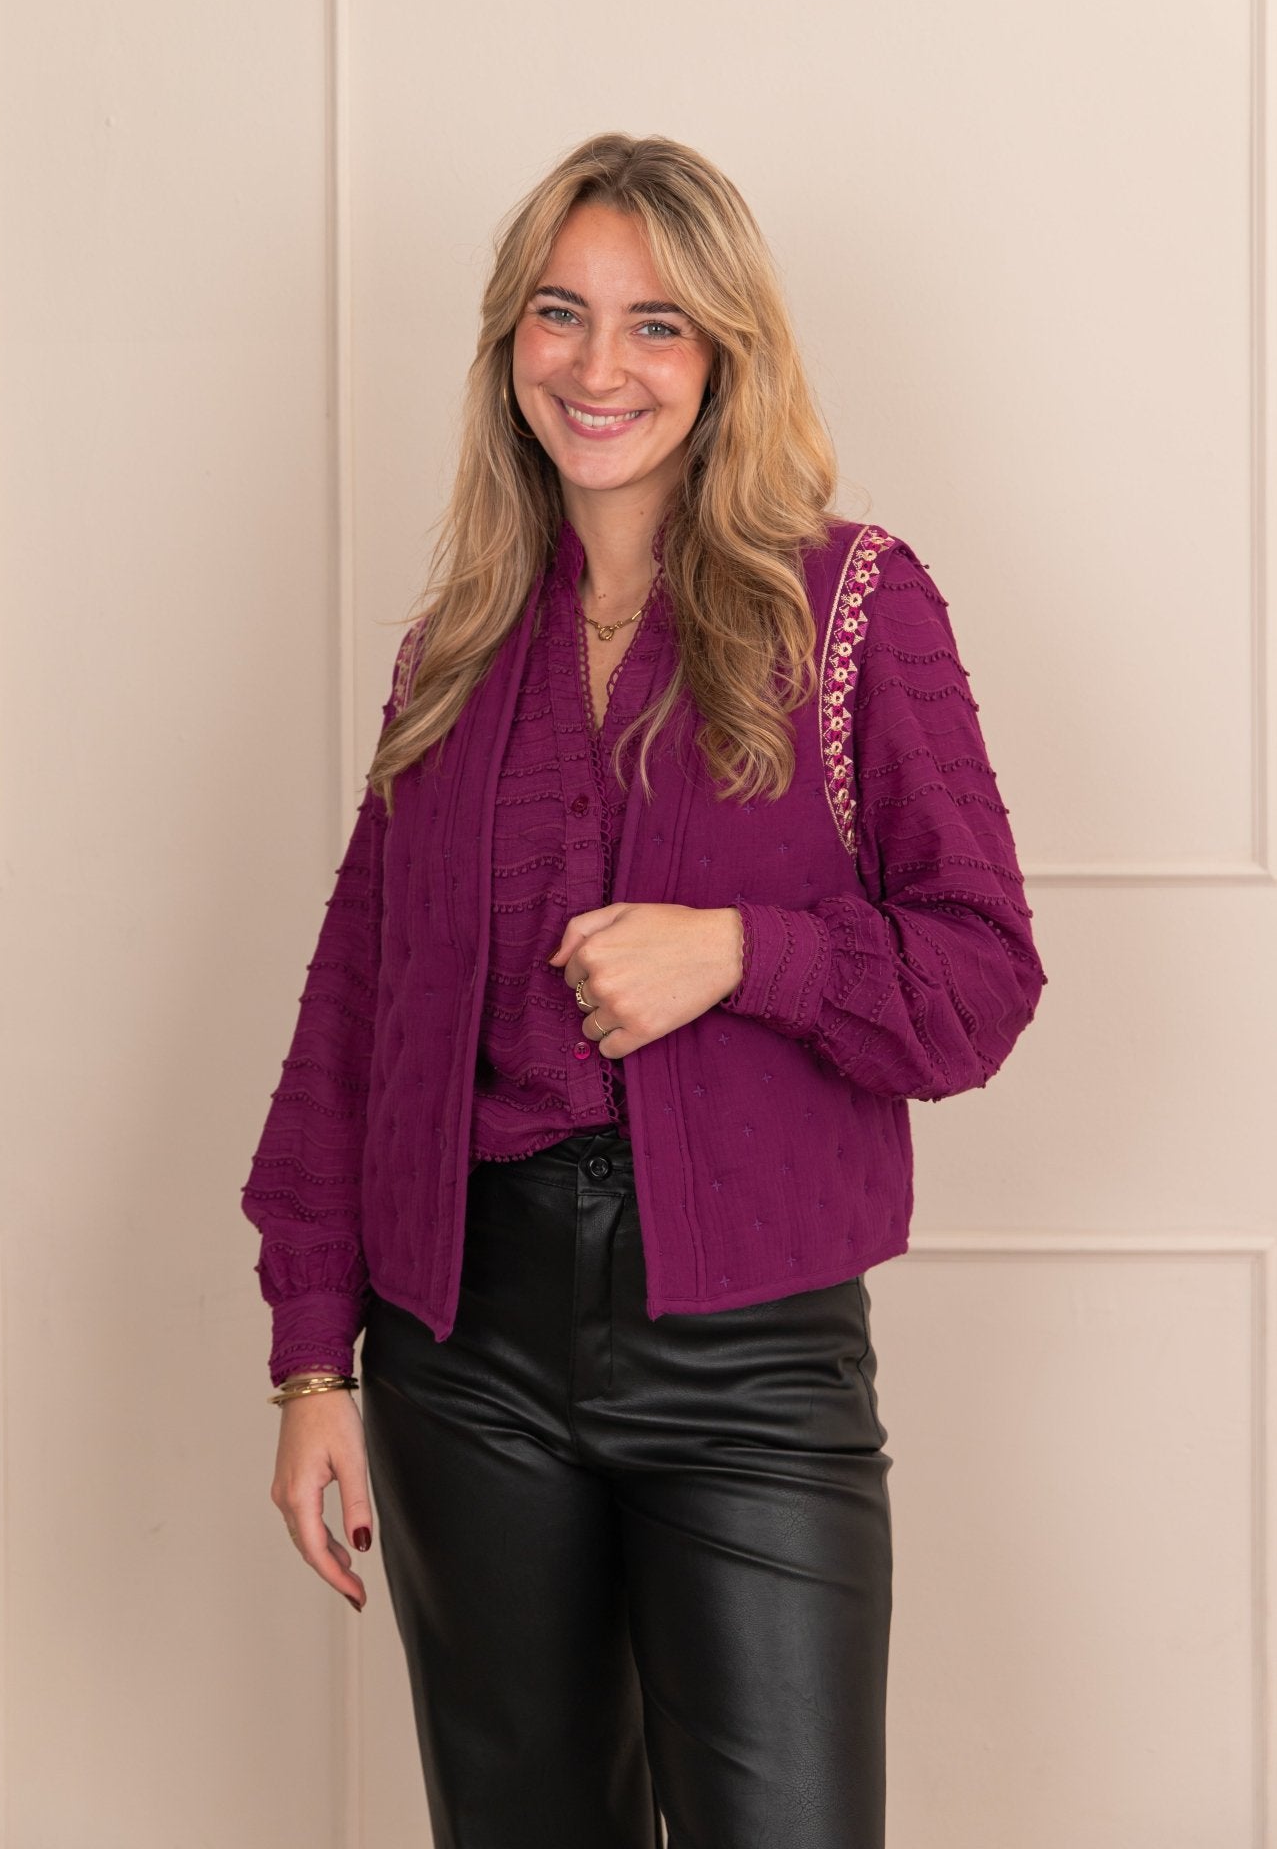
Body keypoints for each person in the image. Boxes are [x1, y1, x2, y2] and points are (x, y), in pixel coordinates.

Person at [240, 131, 1048, 1849]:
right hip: (461, 1354)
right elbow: (354, 1022)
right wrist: (313, 1365)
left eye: (656, 322)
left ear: (725, 354)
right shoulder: (455, 648)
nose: (598, 365)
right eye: (560, 313)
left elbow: (980, 977)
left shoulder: (849, 607)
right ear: (508, 343)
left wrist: (745, 950)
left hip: (750, 1359)